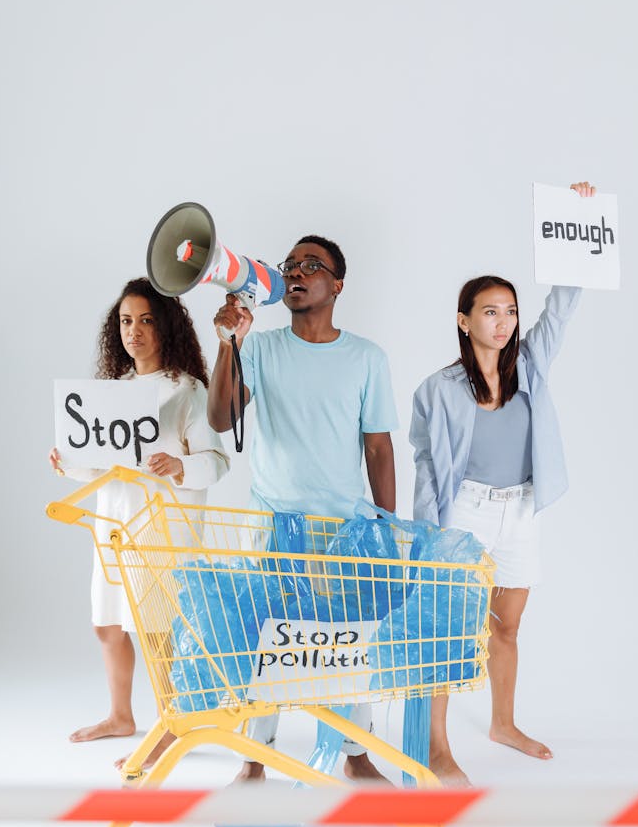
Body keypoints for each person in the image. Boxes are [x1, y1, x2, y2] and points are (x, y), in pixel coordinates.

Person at [409, 181, 595, 785]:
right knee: (446, 629)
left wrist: (578, 216)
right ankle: (436, 747)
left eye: (511, 310)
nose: (504, 320)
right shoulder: (437, 389)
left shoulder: (531, 367)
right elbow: (427, 465)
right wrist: (430, 534)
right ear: (464, 321)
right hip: (463, 513)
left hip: (521, 510)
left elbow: (563, 307)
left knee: (506, 625)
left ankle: (503, 723)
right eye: (491, 311)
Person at [208, 234, 399, 781]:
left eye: (312, 265)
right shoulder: (262, 348)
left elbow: (378, 447)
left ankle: (355, 754)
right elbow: (222, 420)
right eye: (290, 265)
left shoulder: (366, 358)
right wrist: (229, 343)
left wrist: (385, 528)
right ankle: (253, 759)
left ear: (337, 284)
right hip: (272, 525)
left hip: (344, 529)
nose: (297, 272)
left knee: (348, 641)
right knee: (266, 639)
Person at [50, 277, 230, 747]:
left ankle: (171, 726)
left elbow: (217, 462)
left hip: (163, 533)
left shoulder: (187, 391)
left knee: (156, 632)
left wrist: (179, 466)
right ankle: (120, 716)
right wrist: (67, 463)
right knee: (107, 624)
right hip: (116, 529)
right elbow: (104, 467)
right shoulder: (113, 393)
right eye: (127, 321)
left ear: (166, 327)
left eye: (147, 320)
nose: (135, 331)